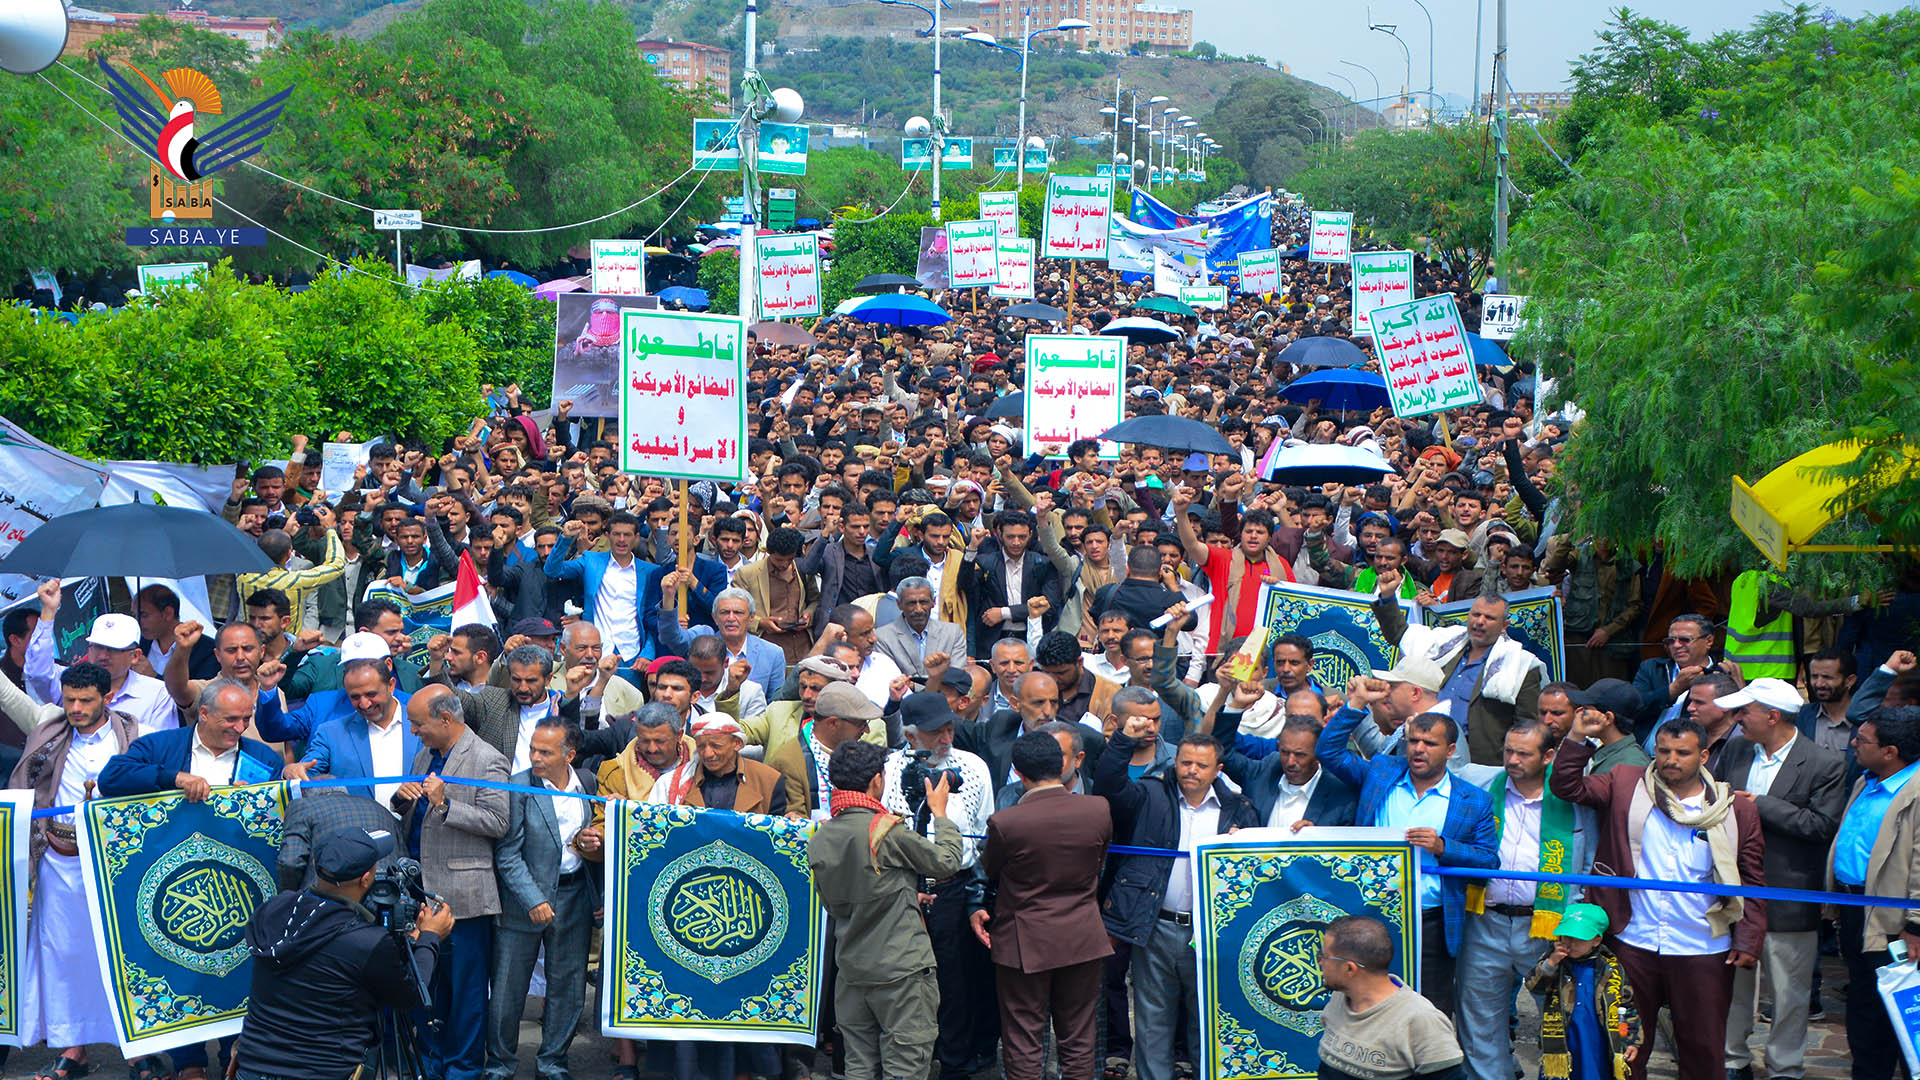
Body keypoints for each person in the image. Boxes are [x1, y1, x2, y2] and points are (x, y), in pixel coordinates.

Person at [1549, 716, 1767, 1080]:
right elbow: (1566, 785)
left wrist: (1749, 937)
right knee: (1623, 1045)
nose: (1671, 759)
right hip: (1632, 939)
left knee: (1702, 1047)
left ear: (1704, 756)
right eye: (1664, 751)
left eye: (1683, 753)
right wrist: (1576, 735)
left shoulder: (1736, 809)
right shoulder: (1624, 783)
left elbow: (1752, 880)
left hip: (1701, 944)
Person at [1318, 682, 1500, 1016]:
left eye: (1429, 743)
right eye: (1413, 740)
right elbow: (1329, 752)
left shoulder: (1474, 801)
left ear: (1450, 751)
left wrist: (1444, 846)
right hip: (1372, 914)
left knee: (1429, 1009)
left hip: (1431, 921)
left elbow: (1488, 861)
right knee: (1365, 1002)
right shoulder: (1381, 771)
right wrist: (1356, 703)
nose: (1418, 749)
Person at [4, 663, 143, 1080]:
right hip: (59, 860)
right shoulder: (51, 726)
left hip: (117, 863)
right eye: (69, 700)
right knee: (63, 954)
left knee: (120, 954)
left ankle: (137, 1052)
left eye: (85, 700)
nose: (76, 708)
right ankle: (73, 1051)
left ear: (107, 698)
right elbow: (9, 697)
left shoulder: (136, 733)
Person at [1094, 730, 1258, 1080]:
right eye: (1185, 762)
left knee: (1207, 1017)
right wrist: (1123, 740)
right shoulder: (1150, 795)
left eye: (1202, 765)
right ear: (1175, 761)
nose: (1192, 771)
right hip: (1155, 925)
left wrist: (1244, 843)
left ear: (1218, 769)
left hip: (1211, 932)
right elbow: (1108, 786)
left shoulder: (1239, 810)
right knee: (1153, 1019)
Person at [234, 826, 454, 1080]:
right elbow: (411, 996)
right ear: (366, 878)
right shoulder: (366, 942)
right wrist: (429, 937)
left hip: (253, 1067)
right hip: (326, 1072)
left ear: (316, 864)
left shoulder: (272, 910)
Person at [1710, 678, 1846, 1080]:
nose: (1736, 720)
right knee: (1733, 983)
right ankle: (1732, 1059)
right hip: (1734, 892)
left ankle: (1785, 1067)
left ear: (1772, 717)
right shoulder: (1735, 749)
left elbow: (1821, 825)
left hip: (1788, 895)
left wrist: (1761, 806)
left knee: (1789, 991)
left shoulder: (1824, 764)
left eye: (1743, 712)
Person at [807, 740, 965, 1080]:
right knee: (906, 1064)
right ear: (877, 780)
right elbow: (947, 862)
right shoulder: (885, 831)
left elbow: (839, 899)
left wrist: (903, 894)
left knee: (859, 1066)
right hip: (900, 969)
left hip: (852, 970)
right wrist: (940, 812)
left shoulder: (821, 836)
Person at [1456, 720, 1595, 1080]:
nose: (1512, 760)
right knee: (1480, 1021)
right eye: (1508, 751)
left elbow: (1591, 861)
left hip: (1548, 929)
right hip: (1486, 921)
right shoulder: (1483, 789)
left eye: (1523, 753)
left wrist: (1574, 926)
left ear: (1549, 756)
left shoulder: (1575, 801)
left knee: (1559, 1016)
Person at [971, 729, 1113, 1080]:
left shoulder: (1007, 822)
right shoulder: (1098, 808)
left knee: (1023, 1037)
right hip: (1082, 934)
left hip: (1024, 940)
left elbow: (990, 869)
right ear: (1061, 764)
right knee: (1079, 1036)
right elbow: (1099, 862)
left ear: (1018, 772)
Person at [392, 686, 510, 1080]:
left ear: (445, 719)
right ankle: (429, 1063)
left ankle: (462, 1069)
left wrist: (445, 805)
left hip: (465, 898)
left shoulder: (487, 759)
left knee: (466, 993)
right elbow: (411, 814)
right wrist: (401, 799)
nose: (412, 731)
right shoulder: (426, 754)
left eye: (418, 723)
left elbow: (497, 822)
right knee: (426, 985)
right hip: (420, 894)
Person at [487, 720, 598, 1080]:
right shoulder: (518, 787)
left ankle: (553, 1062)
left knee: (568, 984)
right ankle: (500, 1064)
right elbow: (507, 854)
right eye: (533, 748)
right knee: (508, 987)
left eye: (545, 752)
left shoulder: (588, 784)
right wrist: (533, 898)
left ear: (569, 755)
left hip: (574, 894)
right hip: (525, 900)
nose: (535, 757)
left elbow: (588, 844)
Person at [1824, 705, 1920, 1080]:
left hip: (1897, 925)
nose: (1853, 744)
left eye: (1862, 740)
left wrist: (1915, 926)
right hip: (1855, 911)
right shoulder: (1867, 781)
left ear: (1890, 752)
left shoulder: (1914, 793)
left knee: (1898, 1011)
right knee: (1864, 1005)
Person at [1372, 574, 1544, 765]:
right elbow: (1401, 634)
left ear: (1504, 626)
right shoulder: (1447, 644)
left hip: (1478, 765)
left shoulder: (1520, 665)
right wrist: (1387, 596)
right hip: (1429, 752)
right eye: (1476, 614)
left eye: (1489, 618)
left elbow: (1527, 727)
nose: (1479, 621)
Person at [1315, 915, 1466, 1080]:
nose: (1320, 962)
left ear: (1349, 969)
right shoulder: (1340, 997)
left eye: (1324, 956)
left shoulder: (1420, 1020)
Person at [24, 581, 178, 735]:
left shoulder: (158, 694)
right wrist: (48, 611)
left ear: (135, 655)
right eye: (97, 647)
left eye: (113, 649)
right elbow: (38, 672)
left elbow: (162, 746)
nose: (103, 656)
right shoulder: (69, 682)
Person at [1523, 903, 1641, 1080]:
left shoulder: (1611, 968)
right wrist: (1551, 964)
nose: (1571, 943)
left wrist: (1632, 1040)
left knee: (1593, 1073)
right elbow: (1534, 986)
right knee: (1557, 1073)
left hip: (1596, 1040)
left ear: (1596, 940)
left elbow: (1627, 1005)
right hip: (1563, 1038)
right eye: (1567, 936)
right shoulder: (1555, 961)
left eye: (1579, 938)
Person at [1219, 715, 1357, 830]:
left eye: (1300, 755)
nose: (1290, 762)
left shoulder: (1340, 797)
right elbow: (1221, 753)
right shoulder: (1263, 773)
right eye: (1284, 752)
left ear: (1318, 755)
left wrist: (1317, 839)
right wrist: (1236, 707)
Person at [771, 682, 884, 817]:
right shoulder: (789, 761)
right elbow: (795, 821)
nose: (867, 730)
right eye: (860, 724)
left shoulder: (858, 753)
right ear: (833, 723)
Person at [647, 714, 788, 812]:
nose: (707, 754)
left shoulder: (769, 781)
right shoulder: (671, 783)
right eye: (701, 747)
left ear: (737, 744)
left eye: (716, 746)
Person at [874, 576, 968, 681]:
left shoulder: (953, 633)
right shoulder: (882, 637)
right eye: (911, 603)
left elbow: (956, 677)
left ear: (933, 602)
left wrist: (915, 685)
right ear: (899, 605)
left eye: (923, 602)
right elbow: (890, 680)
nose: (918, 609)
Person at [1566, 679, 1650, 775]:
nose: (1579, 714)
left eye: (1585, 710)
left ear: (1608, 718)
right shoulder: (1611, 753)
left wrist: (1575, 736)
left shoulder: (1630, 763)